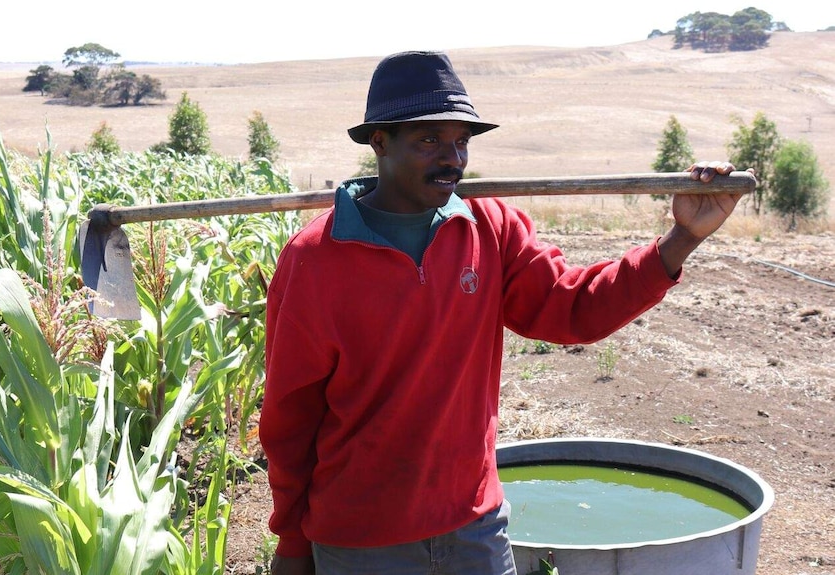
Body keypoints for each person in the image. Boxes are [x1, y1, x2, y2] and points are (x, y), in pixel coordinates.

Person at [258, 50, 742, 575]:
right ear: (380, 142)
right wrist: (292, 541)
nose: (453, 159)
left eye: (461, 140)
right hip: (361, 539)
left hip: (475, 529)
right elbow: (290, 417)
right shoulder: (315, 260)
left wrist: (681, 240)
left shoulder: (489, 229)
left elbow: (573, 308)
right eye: (429, 140)